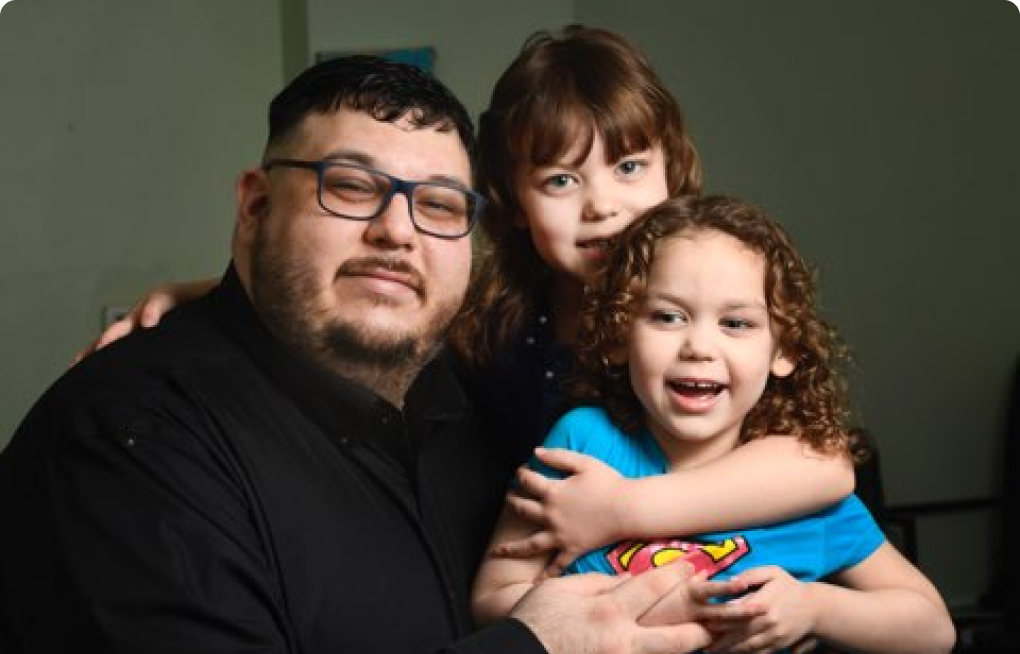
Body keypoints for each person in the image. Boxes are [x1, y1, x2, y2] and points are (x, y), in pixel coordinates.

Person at [0, 55, 772, 654]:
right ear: (256, 207)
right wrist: (533, 646)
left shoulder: (463, 385)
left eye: (437, 205)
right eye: (352, 187)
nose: (398, 232)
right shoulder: (128, 439)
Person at [78, 26, 856, 575]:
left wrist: (628, 514)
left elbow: (826, 468)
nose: (600, 206)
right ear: (510, 201)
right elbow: (370, 303)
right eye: (560, 179)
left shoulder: (721, 310)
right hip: (532, 579)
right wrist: (212, 293)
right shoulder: (497, 315)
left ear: (674, 170)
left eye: (627, 168)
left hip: (714, 570)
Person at [472, 195, 957, 654]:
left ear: (783, 351)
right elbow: (492, 599)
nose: (699, 346)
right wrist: (611, 609)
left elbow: (932, 629)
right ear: (621, 334)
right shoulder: (584, 444)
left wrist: (815, 608)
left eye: (736, 324)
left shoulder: (799, 490)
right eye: (667, 316)